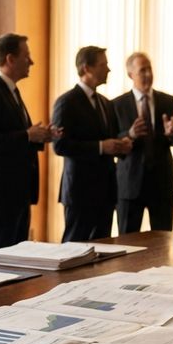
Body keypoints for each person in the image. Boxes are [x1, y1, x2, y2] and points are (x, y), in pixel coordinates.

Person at [0, 33, 60, 254]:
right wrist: (28, 135)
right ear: (10, 59)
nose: (31, 61)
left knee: (17, 255)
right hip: (0, 193)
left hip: (17, 191)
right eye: (26, 56)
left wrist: (40, 135)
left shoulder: (12, 91)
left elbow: (16, 135)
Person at [52, 46, 132, 242]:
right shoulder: (66, 102)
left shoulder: (106, 103)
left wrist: (122, 146)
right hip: (80, 190)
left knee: (103, 248)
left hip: (106, 190)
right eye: (103, 64)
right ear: (86, 68)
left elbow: (109, 138)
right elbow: (60, 146)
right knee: (74, 246)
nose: (109, 69)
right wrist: (100, 147)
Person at [110, 52, 173, 233]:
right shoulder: (116, 105)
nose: (148, 74)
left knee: (163, 244)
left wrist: (172, 134)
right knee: (127, 243)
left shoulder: (169, 101)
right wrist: (130, 134)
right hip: (129, 185)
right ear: (130, 74)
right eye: (142, 70)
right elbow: (112, 144)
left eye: (149, 69)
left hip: (162, 183)